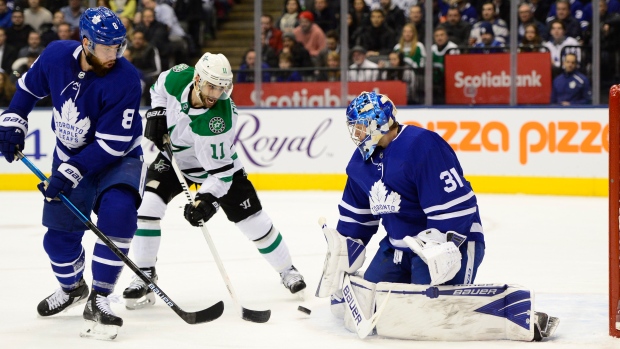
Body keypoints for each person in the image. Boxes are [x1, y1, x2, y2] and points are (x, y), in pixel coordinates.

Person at [315, 91, 557, 342]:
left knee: (429, 314)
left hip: (450, 241)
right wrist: (344, 251)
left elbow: (457, 209)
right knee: (360, 306)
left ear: (378, 122)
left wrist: (442, 247)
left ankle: (509, 311)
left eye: (361, 127)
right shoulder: (360, 163)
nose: (356, 134)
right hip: (398, 249)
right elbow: (357, 218)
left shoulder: (422, 146)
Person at [0, 7, 143, 340]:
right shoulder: (56, 55)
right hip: (70, 156)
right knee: (58, 242)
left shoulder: (124, 79)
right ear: (86, 42)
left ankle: (101, 297)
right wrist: (12, 122)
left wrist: (70, 171)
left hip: (118, 160)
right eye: (107, 47)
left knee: (119, 213)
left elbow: (110, 146)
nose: (115, 54)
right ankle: (73, 287)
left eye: (119, 46)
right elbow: (27, 90)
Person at [121, 52, 306, 309]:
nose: (215, 93)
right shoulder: (177, 77)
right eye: (211, 86)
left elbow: (221, 175)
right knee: (147, 208)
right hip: (175, 160)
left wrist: (206, 199)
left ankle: (288, 270)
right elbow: (158, 88)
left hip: (216, 169)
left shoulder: (220, 120)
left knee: (254, 222)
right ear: (197, 79)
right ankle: (144, 273)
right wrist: (157, 112)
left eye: (221, 88)